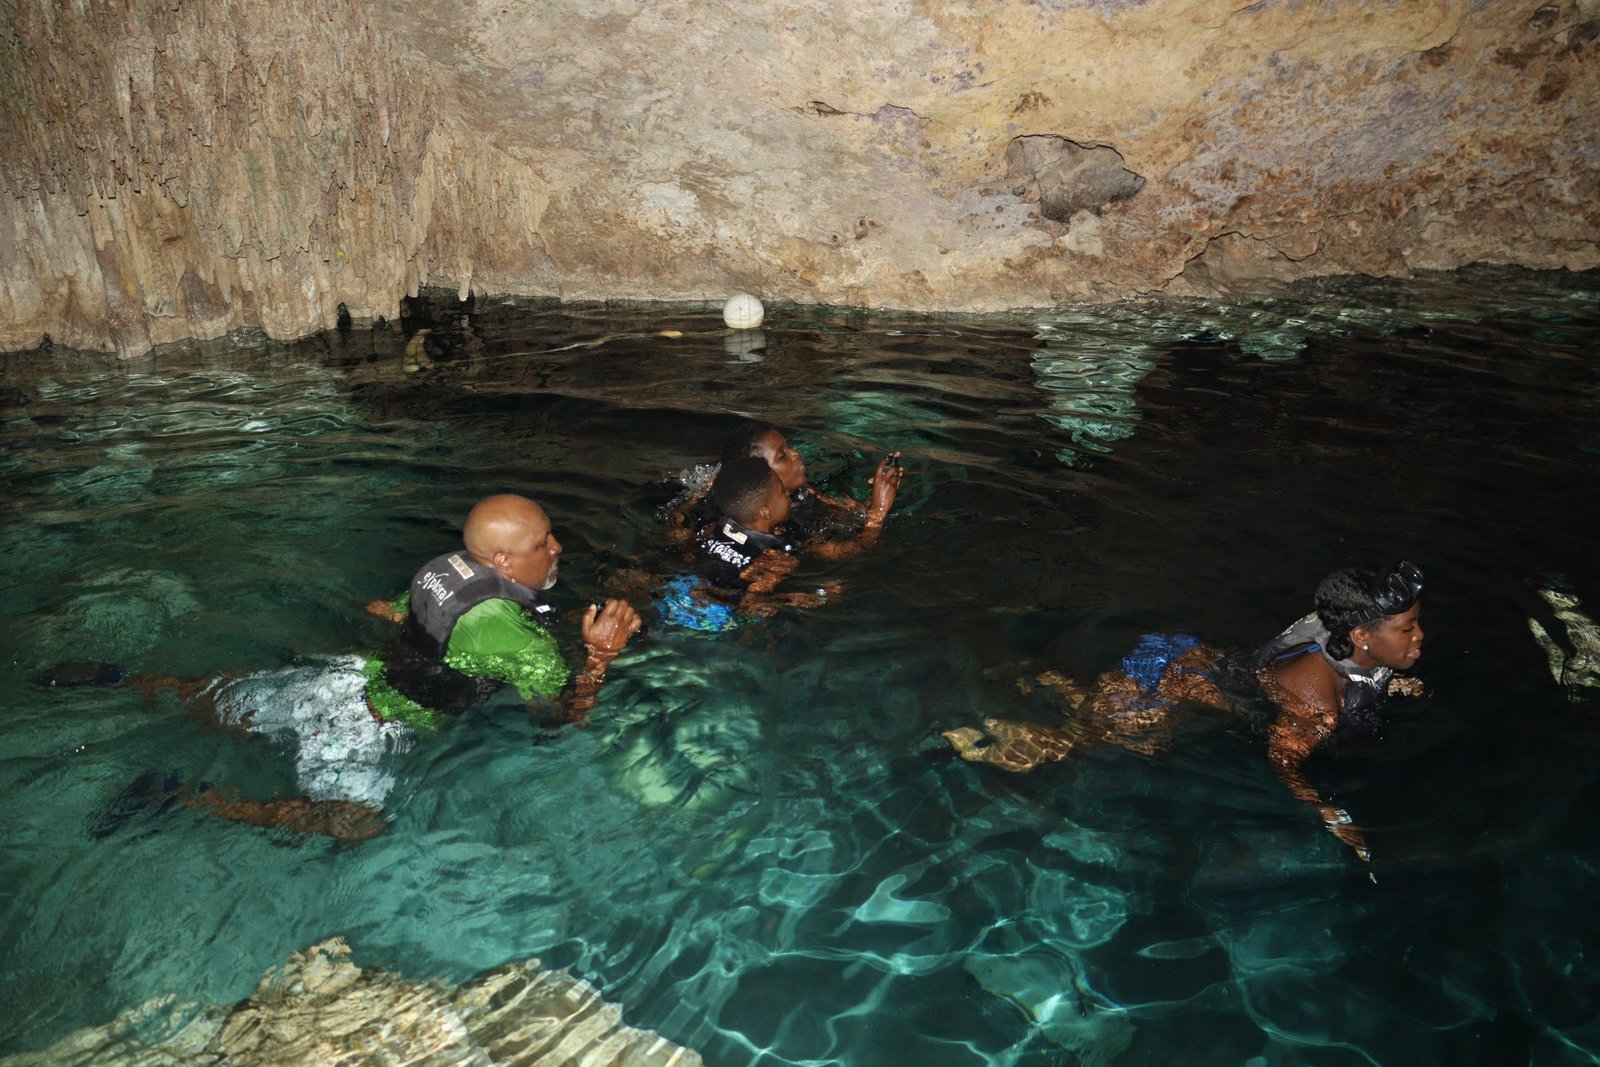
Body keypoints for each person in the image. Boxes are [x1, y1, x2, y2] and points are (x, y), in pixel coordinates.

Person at [68, 494, 642, 843]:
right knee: (357, 826)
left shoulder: (443, 570)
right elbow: (559, 723)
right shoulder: (522, 641)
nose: (557, 546)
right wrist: (598, 660)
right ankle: (188, 798)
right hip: (369, 730)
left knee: (220, 703)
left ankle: (123, 681)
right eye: (543, 542)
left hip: (340, 681)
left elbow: (384, 611)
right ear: (503, 561)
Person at [944, 562, 1428, 863]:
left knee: (1140, 738)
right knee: (1080, 743)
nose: (1418, 636)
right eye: (1407, 629)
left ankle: (1050, 684)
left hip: (1185, 661)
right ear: (1361, 636)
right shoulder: (1316, 705)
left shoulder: (1341, 625)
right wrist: (1329, 813)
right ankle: (963, 740)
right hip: (1161, 684)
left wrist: (1390, 681)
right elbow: (1283, 761)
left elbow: (1351, 670)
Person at [670, 424, 902, 550]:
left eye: (789, 447)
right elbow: (840, 553)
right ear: (760, 472)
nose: (796, 454)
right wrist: (878, 514)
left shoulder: (803, 492)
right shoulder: (780, 526)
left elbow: (849, 515)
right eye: (783, 455)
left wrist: (878, 495)